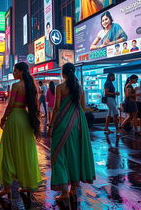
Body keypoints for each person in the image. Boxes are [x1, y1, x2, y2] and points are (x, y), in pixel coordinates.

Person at [48, 63, 95, 208]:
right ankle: (73, 189)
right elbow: (83, 106)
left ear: (63, 73)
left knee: (59, 155)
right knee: (75, 154)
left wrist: (50, 126)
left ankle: (64, 192)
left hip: (63, 123)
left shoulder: (60, 88)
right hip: (78, 123)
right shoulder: (80, 88)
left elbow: (56, 109)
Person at [0, 62, 41, 202]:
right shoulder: (32, 86)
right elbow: (34, 106)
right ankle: (27, 185)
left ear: (21, 71)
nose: (13, 73)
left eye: (15, 70)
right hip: (26, 120)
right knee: (25, 152)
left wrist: (3, 118)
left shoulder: (16, 86)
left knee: (8, 153)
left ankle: (7, 188)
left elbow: (10, 104)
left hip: (15, 119)